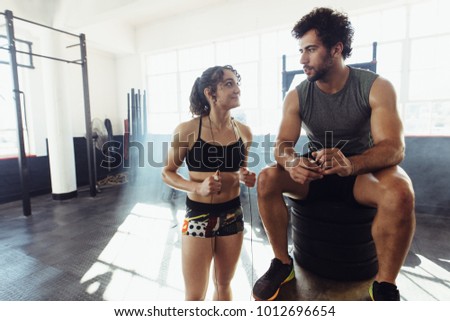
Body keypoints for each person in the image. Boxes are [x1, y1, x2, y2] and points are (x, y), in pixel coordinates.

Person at [252, 7, 415, 301]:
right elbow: (281, 145)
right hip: (316, 172)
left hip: (361, 172)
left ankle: (385, 284)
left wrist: (351, 164)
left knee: (400, 191)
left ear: (336, 49)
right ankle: (282, 263)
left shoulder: (375, 87)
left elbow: (394, 147)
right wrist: (291, 162)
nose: (302, 59)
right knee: (266, 179)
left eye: (311, 49)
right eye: (301, 50)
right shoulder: (298, 94)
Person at [162, 65, 256, 300]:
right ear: (209, 92)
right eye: (228, 84)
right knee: (195, 295)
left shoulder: (244, 132)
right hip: (198, 216)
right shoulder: (188, 130)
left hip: (232, 215)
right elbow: (167, 172)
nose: (237, 89)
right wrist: (197, 187)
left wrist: (244, 177)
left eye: (236, 83)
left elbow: (240, 171)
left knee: (223, 285)